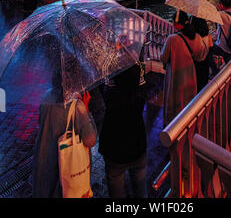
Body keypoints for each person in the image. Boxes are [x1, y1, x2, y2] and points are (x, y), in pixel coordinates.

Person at [32, 70, 97, 198]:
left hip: (44, 163)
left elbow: (42, 123)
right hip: (66, 168)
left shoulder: (46, 97)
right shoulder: (77, 106)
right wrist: (86, 110)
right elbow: (91, 140)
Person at [99, 64, 147, 198]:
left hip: (114, 151)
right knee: (141, 191)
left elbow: (102, 83)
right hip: (138, 146)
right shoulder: (140, 94)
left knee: (116, 194)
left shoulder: (111, 96)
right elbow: (143, 80)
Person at [160, 10, 205, 127]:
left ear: (178, 23)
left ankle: (172, 129)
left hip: (175, 76)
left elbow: (163, 58)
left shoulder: (172, 39)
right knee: (188, 102)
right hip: (190, 74)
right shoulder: (197, 37)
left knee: (174, 103)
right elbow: (200, 56)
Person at [190, 17, 214, 92]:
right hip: (205, 63)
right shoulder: (208, 37)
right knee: (203, 84)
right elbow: (211, 51)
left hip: (195, 65)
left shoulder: (194, 39)